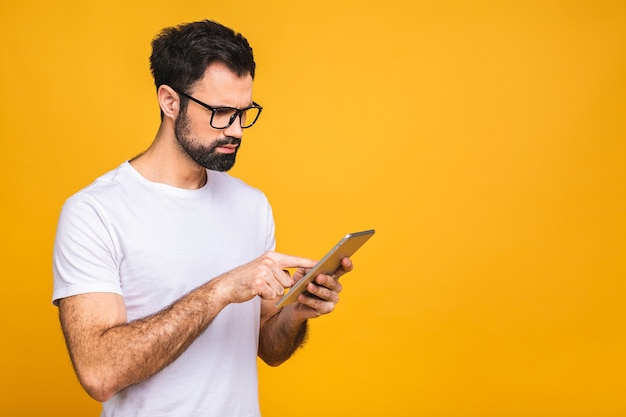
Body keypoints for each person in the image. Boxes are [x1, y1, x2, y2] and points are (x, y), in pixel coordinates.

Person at [52, 19, 353, 417]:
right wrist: (221, 289)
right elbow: (100, 372)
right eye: (221, 112)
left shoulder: (252, 205)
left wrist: (295, 313)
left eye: (244, 113)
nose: (237, 130)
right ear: (169, 101)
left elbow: (268, 347)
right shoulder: (95, 212)